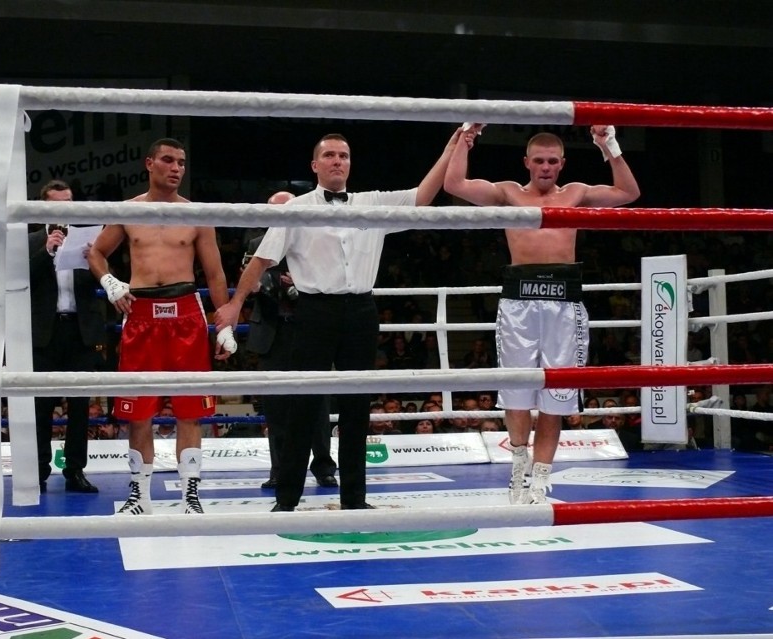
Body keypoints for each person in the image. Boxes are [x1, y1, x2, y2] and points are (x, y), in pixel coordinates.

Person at [215, 129, 461, 511]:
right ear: (315, 165)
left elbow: (422, 196)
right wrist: (235, 305)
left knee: (356, 409)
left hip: (361, 312)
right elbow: (261, 260)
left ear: (350, 163)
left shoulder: (371, 203)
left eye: (343, 155)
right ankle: (287, 499)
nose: (337, 161)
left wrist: (452, 147)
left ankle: (355, 501)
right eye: (329, 155)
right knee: (302, 406)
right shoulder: (295, 209)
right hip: (314, 314)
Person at [444, 124, 640, 504]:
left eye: (552, 161)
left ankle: (541, 476)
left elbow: (629, 193)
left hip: (564, 303)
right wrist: (465, 139)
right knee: (517, 393)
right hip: (519, 301)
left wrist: (608, 145)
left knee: (556, 396)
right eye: (539, 161)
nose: (546, 167)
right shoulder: (508, 193)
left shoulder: (577, 193)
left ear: (562, 163)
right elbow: (454, 184)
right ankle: (518, 462)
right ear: (527, 163)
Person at [87, 137, 233, 515]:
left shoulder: (196, 214)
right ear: (149, 163)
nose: (176, 168)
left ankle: (191, 495)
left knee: (190, 411)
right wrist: (109, 282)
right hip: (141, 314)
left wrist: (225, 323)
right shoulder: (129, 211)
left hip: (186, 313)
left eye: (181, 163)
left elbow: (215, 274)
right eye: (168, 160)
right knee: (138, 412)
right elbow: (96, 252)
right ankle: (139, 497)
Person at [245, 191, 337, 490]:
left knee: (318, 403)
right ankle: (280, 470)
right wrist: (262, 287)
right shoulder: (256, 245)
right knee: (276, 405)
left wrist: (302, 286)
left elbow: (331, 283)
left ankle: (324, 467)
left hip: (309, 328)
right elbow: (249, 285)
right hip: (274, 332)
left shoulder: (317, 240)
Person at [29, 179, 107, 494]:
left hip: (79, 331)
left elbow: (102, 281)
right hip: (44, 334)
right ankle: (37, 472)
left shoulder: (86, 239)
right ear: (44, 205)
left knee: (79, 406)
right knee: (40, 406)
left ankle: (75, 471)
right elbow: (17, 280)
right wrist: (46, 252)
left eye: (68, 200)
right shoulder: (30, 239)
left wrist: (94, 260)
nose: (64, 206)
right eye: (57, 201)